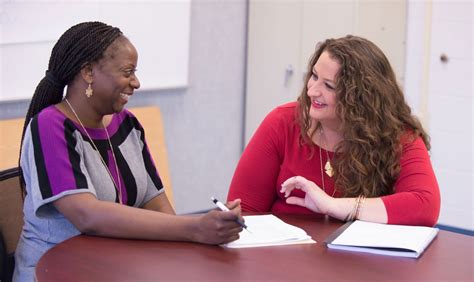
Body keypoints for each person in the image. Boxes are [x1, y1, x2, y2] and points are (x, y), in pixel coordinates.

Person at [14, 21, 243, 281]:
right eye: (127, 71)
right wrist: (195, 228)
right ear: (88, 72)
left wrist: (205, 230)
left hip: (116, 267)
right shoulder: (50, 126)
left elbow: (157, 204)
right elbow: (86, 215)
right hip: (55, 271)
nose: (136, 82)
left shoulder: (127, 124)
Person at [227, 35, 440, 227]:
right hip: (287, 258)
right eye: (313, 76)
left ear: (361, 100)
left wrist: (333, 206)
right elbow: (244, 211)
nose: (312, 91)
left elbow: (425, 205)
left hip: (359, 264)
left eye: (329, 86)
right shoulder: (282, 122)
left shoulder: (397, 136)